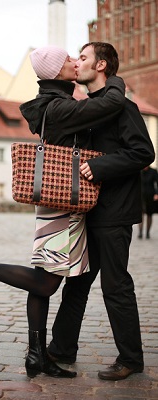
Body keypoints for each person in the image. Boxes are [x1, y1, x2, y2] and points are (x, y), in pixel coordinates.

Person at [0, 45, 126, 379]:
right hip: (62, 204)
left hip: (62, 202)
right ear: (54, 70)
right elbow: (111, 103)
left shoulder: (55, 101)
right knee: (47, 282)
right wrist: (116, 80)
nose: (74, 63)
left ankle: (37, 356)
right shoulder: (60, 106)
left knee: (42, 281)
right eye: (67, 60)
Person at [47, 42, 155, 381]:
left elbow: (143, 152)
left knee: (115, 285)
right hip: (87, 211)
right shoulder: (88, 107)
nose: (77, 63)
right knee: (76, 285)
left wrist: (103, 167)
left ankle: (131, 359)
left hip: (115, 212)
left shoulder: (124, 107)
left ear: (102, 65)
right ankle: (60, 351)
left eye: (83, 57)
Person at [138, 166, 158, 239]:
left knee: (149, 214)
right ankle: (140, 232)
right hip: (140, 196)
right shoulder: (139, 171)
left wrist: (157, 193)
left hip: (150, 196)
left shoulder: (153, 171)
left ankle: (147, 233)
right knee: (141, 214)